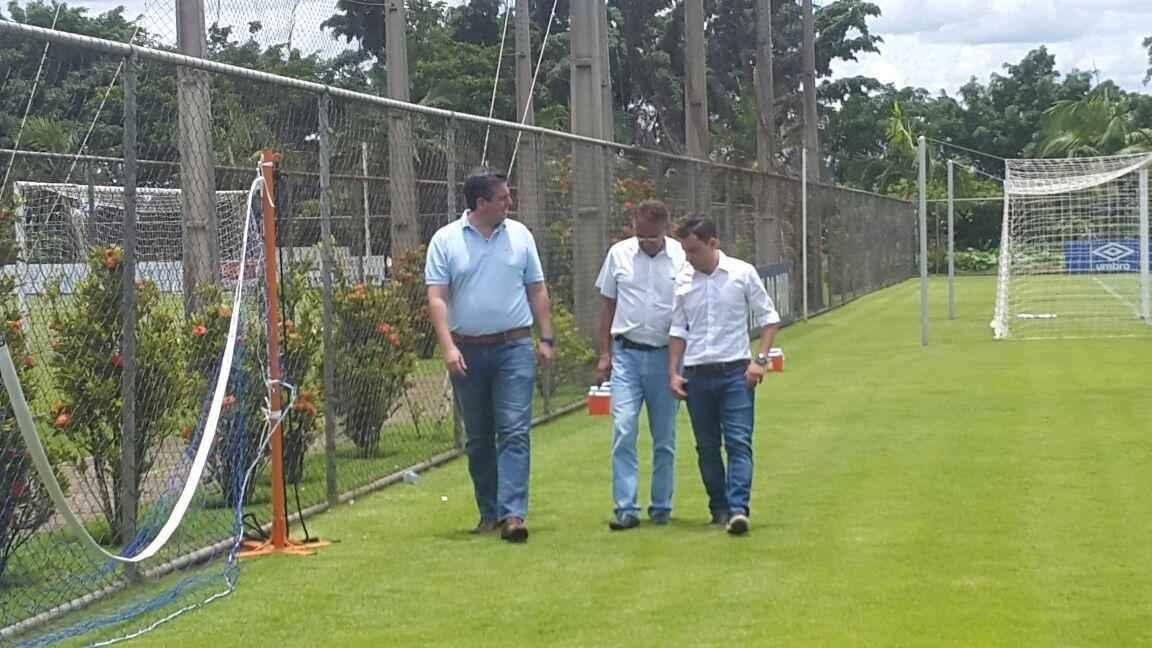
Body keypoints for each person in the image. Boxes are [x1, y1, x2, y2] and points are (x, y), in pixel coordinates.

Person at [425, 168, 554, 543]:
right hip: (466, 350)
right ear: (481, 203)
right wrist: (448, 347)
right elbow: (437, 297)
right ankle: (489, 513)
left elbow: (537, 289)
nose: (510, 203)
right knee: (479, 437)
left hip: (514, 346)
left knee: (513, 429)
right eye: (503, 198)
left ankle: (513, 514)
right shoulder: (446, 240)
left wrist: (547, 338)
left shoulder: (521, 236)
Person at [667, 217, 780, 536]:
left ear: (713, 243)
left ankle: (738, 508)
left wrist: (760, 360)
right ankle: (718, 508)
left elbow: (769, 318)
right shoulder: (683, 280)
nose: (689, 257)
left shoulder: (741, 273)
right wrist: (673, 372)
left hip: (735, 372)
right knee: (706, 447)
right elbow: (678, 329)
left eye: (694, 250)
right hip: (696, 374)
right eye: (685, 251)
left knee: (738, 442)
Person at [593, 200, 686, 531]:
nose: (645, 242)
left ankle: (661, 506)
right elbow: (607, 305)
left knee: (664, 436)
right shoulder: (618, 254)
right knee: (623, 428)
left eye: (652, 237)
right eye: (640, 235)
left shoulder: (681, 257)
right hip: (627, 355)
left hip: (666, 357)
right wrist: (604, 354)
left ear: (665, 229)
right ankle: (626, 507)